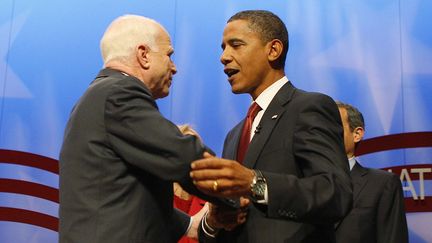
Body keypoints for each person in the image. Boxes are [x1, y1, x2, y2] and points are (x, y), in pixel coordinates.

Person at [190, 10, 353, 242]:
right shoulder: (234, 135)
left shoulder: (308, 107)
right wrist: (213, 222)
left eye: (236, 45)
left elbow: (335, 194)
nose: (224, 57)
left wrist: (254, 183)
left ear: (273, 50)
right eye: (223, 47)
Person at [59, 14, 216, 243]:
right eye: (169, 55)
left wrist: (193, 225)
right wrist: (239, 189)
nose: (174, 68)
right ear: (143, 55)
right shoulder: (119, 93)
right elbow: (182, 157)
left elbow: (130, 194)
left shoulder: (99, 96)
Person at [335, 102, 408, 243]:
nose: (326, 132)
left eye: (334, 125)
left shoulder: (383, 184)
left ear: (357, 134)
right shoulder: (303, 181)